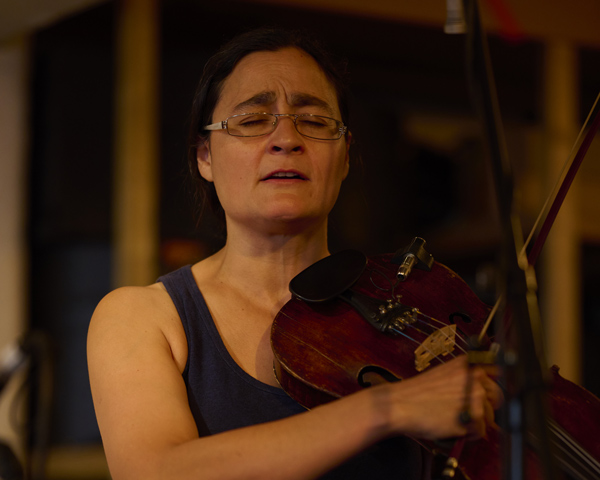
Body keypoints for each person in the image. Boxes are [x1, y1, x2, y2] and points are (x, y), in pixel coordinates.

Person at [87, 27, 502, 480]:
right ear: (204, 156)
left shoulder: (416, 313)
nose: (287, 138)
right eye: (251, 121)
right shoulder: (141, 317)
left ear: (344, 158)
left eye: (315, 121)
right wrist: (389, 406)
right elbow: (156, 471)